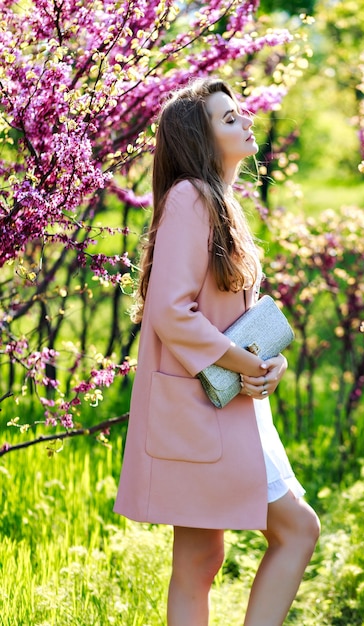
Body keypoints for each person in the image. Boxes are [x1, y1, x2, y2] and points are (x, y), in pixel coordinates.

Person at [114, 77, 320, 626]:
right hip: (203, 412)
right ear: (200, 140)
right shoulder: (191, 199)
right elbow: (170, 312)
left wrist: (267, 362)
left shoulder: (220, 201)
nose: (246, 120)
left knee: (201, 558)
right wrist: (246, 363)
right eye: (228, 118)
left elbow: (234, 321)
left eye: (241, 112)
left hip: (226, 407)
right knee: (298, 529)